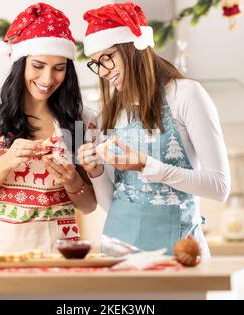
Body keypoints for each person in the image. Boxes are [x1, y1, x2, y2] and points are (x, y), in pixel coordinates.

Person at [77, 2, 231, 258]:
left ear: (133, 47)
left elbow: (219, 187)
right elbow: (114, 206)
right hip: (118, 253)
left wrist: (147, 165)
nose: (103, 72)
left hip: (180, 252)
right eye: (96, 63)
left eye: (109, 58)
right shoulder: (110, 113)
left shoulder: (185, 95)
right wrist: (95, 172)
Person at [0, 3, 97, 259]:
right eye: (38, 65)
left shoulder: (81, 119)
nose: (47, 79)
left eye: (59, 68)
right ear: (21, 62)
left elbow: (88, 206)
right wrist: (6, 162)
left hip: (59, 257)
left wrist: (72, 181)